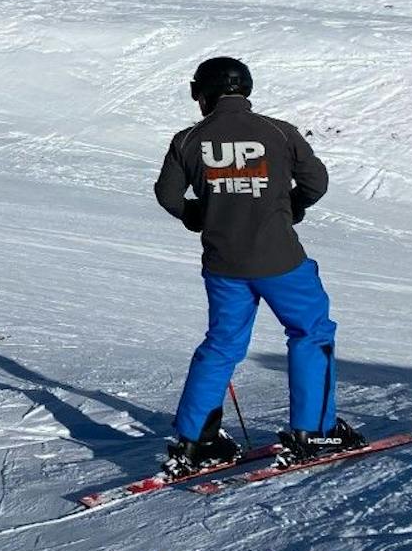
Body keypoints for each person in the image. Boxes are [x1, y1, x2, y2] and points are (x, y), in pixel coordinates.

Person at [153, 56, 365, 476]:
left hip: (224, 265)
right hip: (280, 260)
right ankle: (315, 430)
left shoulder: (188, 139)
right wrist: (292, 207)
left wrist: (198, 215)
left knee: (222, 345)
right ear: (244, 90)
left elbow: (167, 195)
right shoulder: (277, 131)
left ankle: (196, 440)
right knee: (311, 332)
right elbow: (316, 183)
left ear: (203, 94)